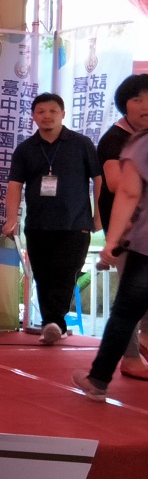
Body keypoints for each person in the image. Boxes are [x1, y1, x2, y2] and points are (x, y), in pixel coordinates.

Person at [2, 92, 101, 345]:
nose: (47, 116)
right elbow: (14, 185)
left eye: (53, 111)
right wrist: (11, 219)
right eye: (41, 112)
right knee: (43, 276)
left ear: (63, 114)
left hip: (75, 224)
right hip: (38, 224)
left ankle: (53, 322)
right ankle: (53, 325)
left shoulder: (82, 144)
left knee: (65, 273)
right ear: (33, 116)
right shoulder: (25, 149)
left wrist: (99, 216)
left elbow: (99, 180)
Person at [74, 130, 148, 401]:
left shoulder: (141, 143)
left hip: (146, 247)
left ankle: (98, 381)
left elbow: (128, 192)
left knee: (125, 313)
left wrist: (112, 241)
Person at [96, 73, 148, 379]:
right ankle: (128, 358)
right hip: (128, 232)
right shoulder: (115, 140)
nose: (145, 106)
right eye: (137, 100)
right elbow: (119, 185)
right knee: (130, 300)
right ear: (124, 106)